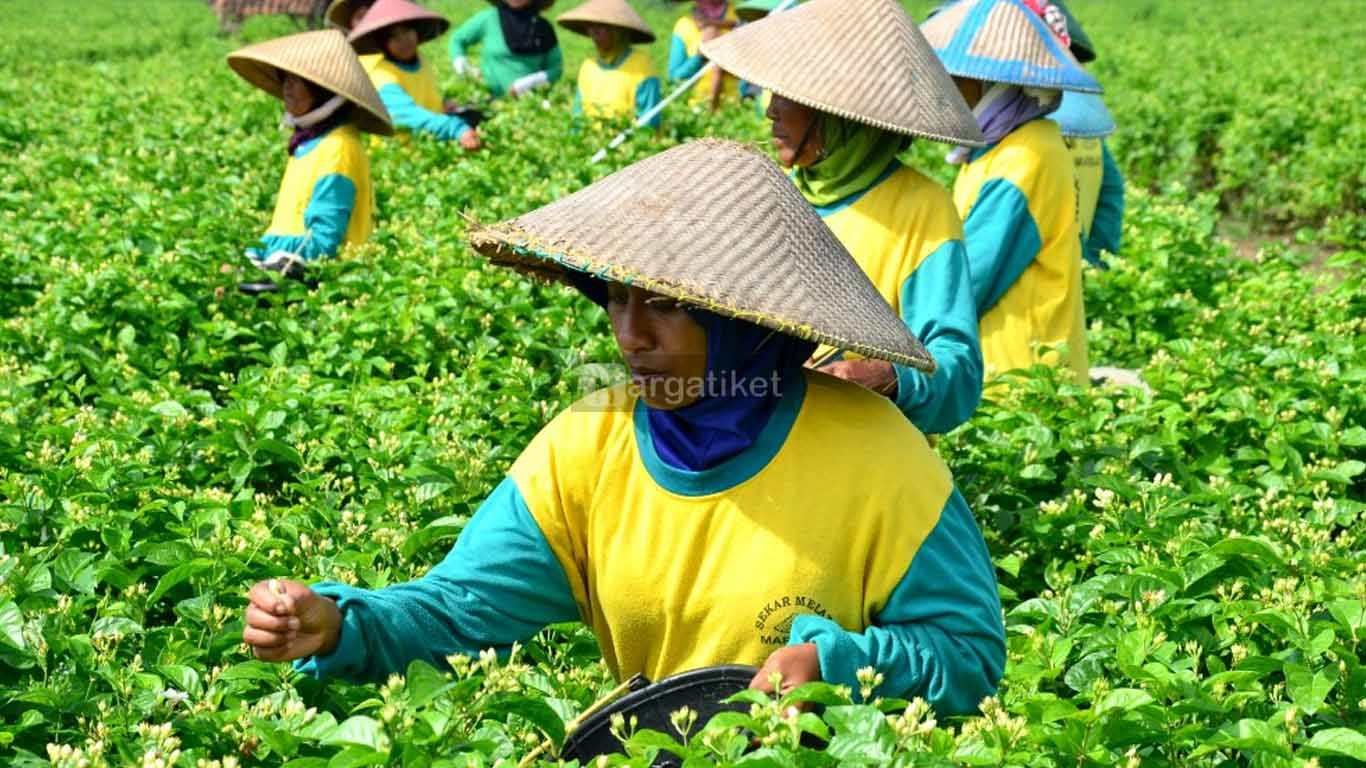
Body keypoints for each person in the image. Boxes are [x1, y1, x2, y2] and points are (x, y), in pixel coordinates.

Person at [241, 140, 1005, 716]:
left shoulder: (876, 452)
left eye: (667, 305)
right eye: (614, 298)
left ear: (745, 321)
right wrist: (341, 624)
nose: (629, 335)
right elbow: (460, 608)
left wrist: (833, 668)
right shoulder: (588, 443)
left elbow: (968, 656)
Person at [703, 0, 987, 435]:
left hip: (865, 450)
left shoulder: (920, 208)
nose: (771, 111)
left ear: (840, 117)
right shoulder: (777, 190)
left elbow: (957, 371)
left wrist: (891, 377)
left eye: (789, 97)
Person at [922, 0, 1101, 384]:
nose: (946, 86)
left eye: (958, 74)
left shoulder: (1026, 155)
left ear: (993, 81)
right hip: (1009, 370)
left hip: (1018, 380)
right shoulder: (996, 148)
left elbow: (968, 282)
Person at [227, 29, 392, 276]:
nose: (287, 88)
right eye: (285, 78)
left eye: (297, 80)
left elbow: (324, 241)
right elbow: (284, 226)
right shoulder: (307, 143)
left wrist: (272, 264)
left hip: (325, 280)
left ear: (321, 89)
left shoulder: (339, 147)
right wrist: (255, 255)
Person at [1044, 1, 1123, 268]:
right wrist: (1094, 261)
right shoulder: (1088, 130)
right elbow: (1110, 193)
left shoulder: (1023, 132)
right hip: (1077, 277)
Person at [346, 0, 482, 149]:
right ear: (383, 43)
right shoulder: (381, 74)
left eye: (407, 31)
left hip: (430, 139)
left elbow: (423, 92)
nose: (404, 40)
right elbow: (407, 115)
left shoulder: (420, 60)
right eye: (393, 37)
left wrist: (443, 103)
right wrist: (455, 129)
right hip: (401, 151)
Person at [556, 0, 662, 127]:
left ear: (620, 31)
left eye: (602, 27)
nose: (595, 33)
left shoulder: (642, 67)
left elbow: (649, 123)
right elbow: (577, 116)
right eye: (590, 26)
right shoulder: (588, 67)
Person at [449, 0, 563, 99]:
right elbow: (457, 40)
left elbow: (555, 69)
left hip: (528, 104)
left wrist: (525, 84)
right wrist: (465, 68)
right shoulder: (488, 19)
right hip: (486, 101)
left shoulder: (543, 27)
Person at [668, 0, 740, 111]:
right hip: (696, 111)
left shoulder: (741, 17)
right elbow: (675, 77)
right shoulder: (684, 25)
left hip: (737, 110)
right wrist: (699, 56)